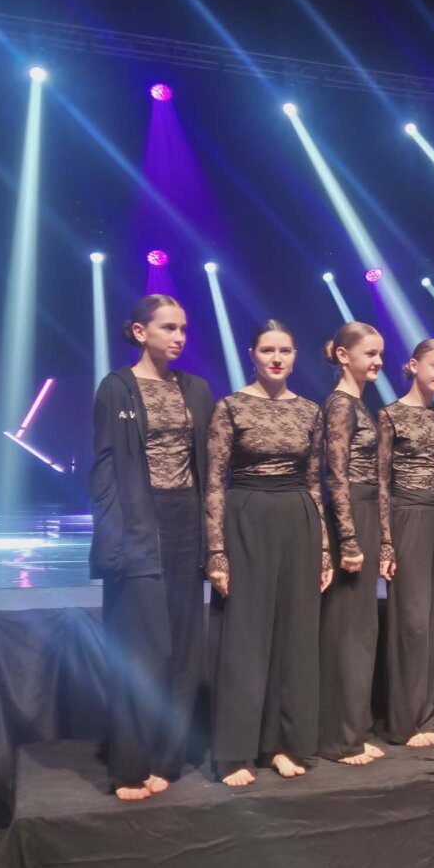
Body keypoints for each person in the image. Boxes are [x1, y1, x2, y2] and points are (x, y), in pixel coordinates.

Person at [90, 294, 213, 801]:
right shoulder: (116, 387)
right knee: (144, 650)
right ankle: (129, 766)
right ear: (140, 332)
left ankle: (167, 759)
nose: (179, 336)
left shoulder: (196, 389)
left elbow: (209, 468)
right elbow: (104, 467)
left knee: (184, 651)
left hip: (187, 523)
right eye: (168, 327)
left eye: (183, 328)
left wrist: (215, 540)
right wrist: (112, 537)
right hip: (138, 524)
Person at [205, 321, 333, 785]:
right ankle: (235, 752)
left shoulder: (311, 410)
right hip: (246, 517)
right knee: (246, 635)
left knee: (294, 635)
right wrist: (216, 552)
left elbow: (316, 483)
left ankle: (282, 744)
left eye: (285, 350)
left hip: (298, 518)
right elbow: (214, 483)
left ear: (295, 356)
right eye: (268, 350)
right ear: (252, 355)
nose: (277, 358)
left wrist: (324, 547)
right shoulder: (230, 407)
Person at [378, 339, 434, 747]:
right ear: (413, 365)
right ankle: (405, 720)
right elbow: (381, 482)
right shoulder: (390, 415)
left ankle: (433, 717)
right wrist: (386, 541)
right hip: (406, 515)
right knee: (411, 622)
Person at [318, 322, 387, 766]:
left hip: (366, 511)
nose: (379, 361)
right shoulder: (340, 404)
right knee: (344, 629)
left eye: (380, 353)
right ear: (344, 356)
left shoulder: (359, 401)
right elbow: (336, 475)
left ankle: (353, 730)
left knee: (361, 630)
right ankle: (338, 738)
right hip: (351, 515)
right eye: (370, 353)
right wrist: (348, 539)